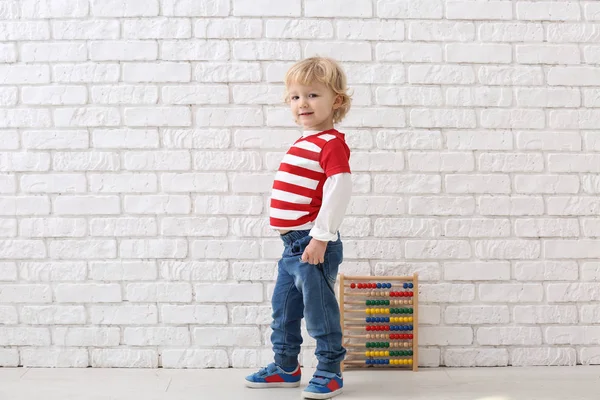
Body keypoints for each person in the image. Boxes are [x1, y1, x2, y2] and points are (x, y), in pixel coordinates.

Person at [244, 57, 353, 399]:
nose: (302, 103)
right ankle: (286, 367)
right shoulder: (304, 140)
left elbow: (339, 189)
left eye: (312, 95)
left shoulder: (331, 143)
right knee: (284, 310)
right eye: (295, 97)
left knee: (319, 314)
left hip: (311, 244)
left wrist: (321, 237)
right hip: (291, 247)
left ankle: (329, 370)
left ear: (336, 100)